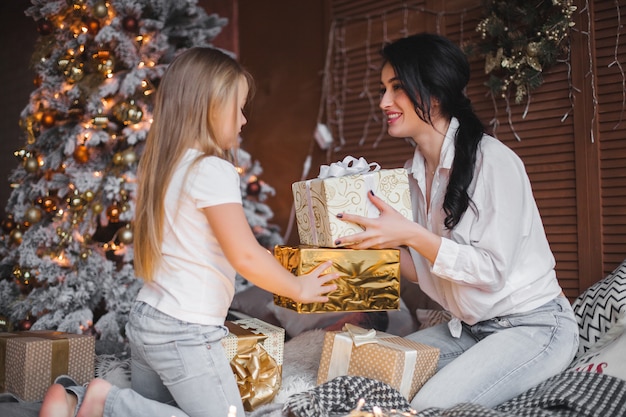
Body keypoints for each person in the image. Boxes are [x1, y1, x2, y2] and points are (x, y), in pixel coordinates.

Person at [39, 46, 338, 417]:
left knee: (157, 409)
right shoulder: (213, 169)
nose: (244, 120)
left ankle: (77, 400)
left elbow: (232, 247)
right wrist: (299, 288)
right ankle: (104, 401)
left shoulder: (169, 166)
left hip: (149, 318)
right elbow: (243, 254)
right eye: (238, 107)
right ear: (210, 107)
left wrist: (286, 271)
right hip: (186, 333)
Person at [334, 33, 579, 411]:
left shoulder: (493, 162)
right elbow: (424, 269)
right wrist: (375, 243)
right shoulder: (411, 172)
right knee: (365, 374)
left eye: (396, 88)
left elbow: (490, 271)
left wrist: (410, 234)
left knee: (430, 406)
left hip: (534, 327)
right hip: (468, 329)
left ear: (434, 92)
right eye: (383, 88)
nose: (383, 102)